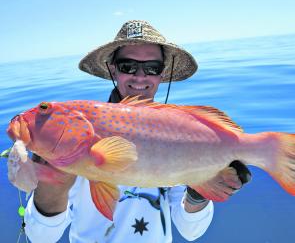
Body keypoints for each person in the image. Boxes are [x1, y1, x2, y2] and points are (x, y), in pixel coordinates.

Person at [24, 20, 251, 243]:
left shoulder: (182, 136)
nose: (140, 76)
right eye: (128, 66)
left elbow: (191, 231)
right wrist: (52, 181)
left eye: (152, 68)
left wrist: (199, 192)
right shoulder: (73, 134)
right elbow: (40, 237)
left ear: (162, 74)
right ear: (114, 70)